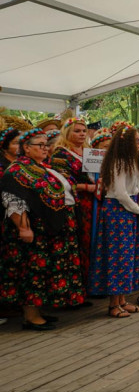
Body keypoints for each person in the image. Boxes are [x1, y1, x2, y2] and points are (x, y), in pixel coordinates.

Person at [1, 127, 86, 330]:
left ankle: (38, 311)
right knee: (33, 270)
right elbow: (12, 200)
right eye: (40, 145)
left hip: (52, 230)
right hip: (35, 229)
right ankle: (30, 316)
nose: (45, 148)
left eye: (46, 145)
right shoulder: (17, 170)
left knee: (46, 271)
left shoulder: (43, 167)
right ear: (26, 148)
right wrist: (23, 228)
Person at [91, 123, 139, 319]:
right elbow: (121, 193)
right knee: (118, 256)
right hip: (118, 211)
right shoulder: (118, 162)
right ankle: (113, 304)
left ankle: (123, 299)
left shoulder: (131, 161)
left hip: (127, 211)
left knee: (128, 256)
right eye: (136, 140)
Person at [50, 118, 99, 290]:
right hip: (78, 203)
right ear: (67, 132)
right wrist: (87, 187)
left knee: (94, 240)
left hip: (95, 201)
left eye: (84, 131)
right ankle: (81, 285)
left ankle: (94, 281)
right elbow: (59, 182)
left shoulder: (90, 150)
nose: (81, 134)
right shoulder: (60, 154)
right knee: (82, 241)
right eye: (77, 131)